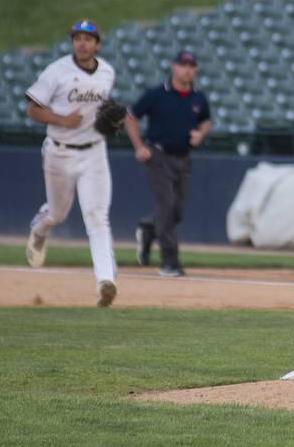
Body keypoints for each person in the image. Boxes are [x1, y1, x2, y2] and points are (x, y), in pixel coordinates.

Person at [25, 19, 118, 308]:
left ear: (97, 44)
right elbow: (32, 110)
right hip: (59, 151)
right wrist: (62, 119)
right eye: (77, 38)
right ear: (72, 43)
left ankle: (106, 280)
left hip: (94, 152)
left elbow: (102, 109)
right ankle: (39, 230)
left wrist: (111, 121)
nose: (82, 43)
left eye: (88, 38)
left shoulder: (107, 73)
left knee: (97, 217)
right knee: (57, 214)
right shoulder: (56, 72)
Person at [124, 51, 211, 277]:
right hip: (158, 156)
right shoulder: (156, 94)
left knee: (177, 212)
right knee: (167, 205)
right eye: (183, 64)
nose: (187, 69)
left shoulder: (198, 97)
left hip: (183, 158)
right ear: (173, 67)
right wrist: (138, 146)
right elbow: (130, 116)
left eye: (191, 65)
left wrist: (201, 134)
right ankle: (169, 262)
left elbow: (206, 121)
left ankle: (148, 229)